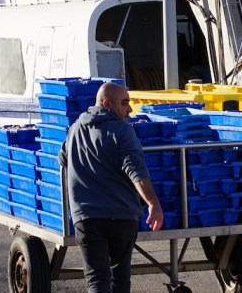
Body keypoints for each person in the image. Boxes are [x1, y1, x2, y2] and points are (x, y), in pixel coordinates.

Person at [58, 82, 163, 293]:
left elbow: (62, 159)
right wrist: (152, 203)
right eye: (124, 103)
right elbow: (136, 170)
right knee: (120, 280)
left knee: (96, 280)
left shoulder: (75, 128)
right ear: (106, 103)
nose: (130, 109)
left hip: (87, 218)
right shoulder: (123, 131)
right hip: (121, 217)